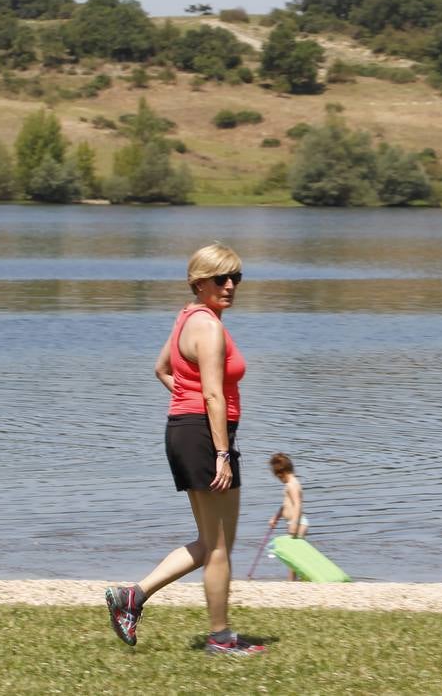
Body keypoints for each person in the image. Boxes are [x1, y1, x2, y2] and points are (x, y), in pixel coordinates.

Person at [103, 243, 265, 656]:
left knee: (217, 542)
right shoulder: (207, 327)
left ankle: (133, 598)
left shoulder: (188, 318)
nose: (230, 286)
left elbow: (162, 368)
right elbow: (212, 394)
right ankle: (219, 637)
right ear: (198, 282)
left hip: (197, 431)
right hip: (204, 436)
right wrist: (221, 452)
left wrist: (186, 405)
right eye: (220, 279)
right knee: (215, 544)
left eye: (236, 278)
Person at [268, 452, 307, 581]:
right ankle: (295, 580)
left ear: (281, 473)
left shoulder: (292, 484)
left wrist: (294, 523)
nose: (279, 480)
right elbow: (285, 504)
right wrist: (276, 517)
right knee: (294, 554)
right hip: (294, 522)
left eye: (278, 477)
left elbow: (297, 504)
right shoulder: (290, 484)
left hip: (298, 523)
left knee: (293, 556)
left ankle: (293, 581)